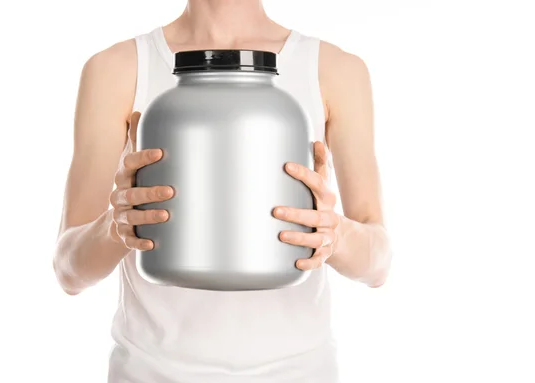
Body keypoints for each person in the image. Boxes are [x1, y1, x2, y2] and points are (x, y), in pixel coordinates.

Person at [53, 0, 392, 381]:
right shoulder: (117, 68)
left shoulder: (335, 70)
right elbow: (69, 271)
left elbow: (377, 264)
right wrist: (116, 226)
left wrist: (335, 233)